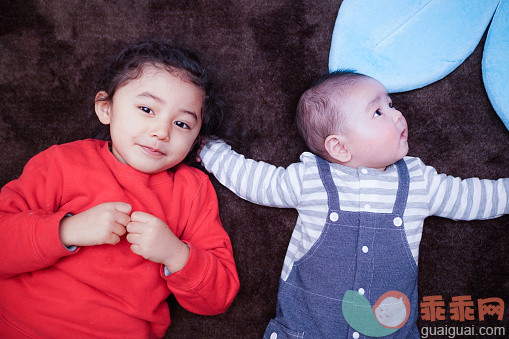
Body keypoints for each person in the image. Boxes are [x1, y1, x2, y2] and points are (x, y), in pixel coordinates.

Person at [198, 71, 508, 338]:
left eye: (391, 104)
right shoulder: (311, 179)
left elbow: (472, 198)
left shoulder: (419, 182)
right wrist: (212, 153)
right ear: (339, 146)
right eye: (378, 112)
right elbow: (258, 182)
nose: (397, 114)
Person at [0, 40, 239, 338]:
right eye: (146, 109)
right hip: (18, 325)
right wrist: (67, 230)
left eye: (181, 123)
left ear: (196, 138)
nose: (161, 132)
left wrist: (175, 253)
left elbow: (219, 297)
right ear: (106, 108)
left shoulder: (192, 190)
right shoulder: (63, 162)